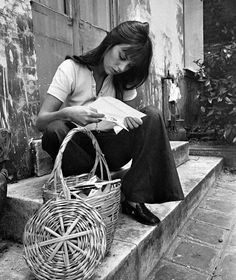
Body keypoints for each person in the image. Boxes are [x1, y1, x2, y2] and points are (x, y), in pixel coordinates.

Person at [36, 20, 184, 226]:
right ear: (111, 42)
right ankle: (95, 184)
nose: (121, 67)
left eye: (129, 65)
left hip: (110, 149)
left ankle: (133, 198)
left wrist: (129, 119)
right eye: (122, 57)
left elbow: (133, 120)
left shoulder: (123, 79)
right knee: (54, 129)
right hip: (78, 149)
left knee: (152, 115)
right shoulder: (71, 69)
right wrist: (68, 113)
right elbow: (40, 121)